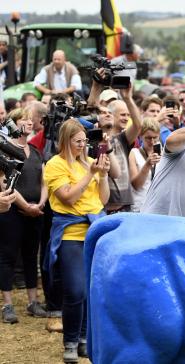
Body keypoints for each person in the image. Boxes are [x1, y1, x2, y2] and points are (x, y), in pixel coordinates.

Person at [43, 119, 111, 363]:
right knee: (75, 290)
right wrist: (90, 174)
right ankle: (70, 341)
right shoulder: (54, 165)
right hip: (70, 233)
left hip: (95, 232)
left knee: (90, 291)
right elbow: (68, 198)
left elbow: (103, 200)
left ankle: (83, 340)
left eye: (85, 141)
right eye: (78, 142)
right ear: (65, 141)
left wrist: (101, 176)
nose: (83, 146)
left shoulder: (91, 163)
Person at [0, 108, 48, 324]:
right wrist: (24, 205)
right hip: (11, 211)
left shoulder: (36, 151)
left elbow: (44, 180)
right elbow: (4, 182)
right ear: (13, 123)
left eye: (31, 120)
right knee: (8, 255)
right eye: (24, 120)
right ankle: (8, 304)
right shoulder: (6, 150)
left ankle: (33, 301)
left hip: (36, 211)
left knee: (31, 256)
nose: (29, 123)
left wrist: (39, 204)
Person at [104, 87, 143, 213]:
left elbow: (138, 125)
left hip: (124, 206)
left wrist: (128, 98)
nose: (126, 118)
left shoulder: (123, 138)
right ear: (110, 115)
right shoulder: (97, 138)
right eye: (122, 115)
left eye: (128, 115)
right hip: (103, 206)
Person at [128, 119, 161, 213]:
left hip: (159, 207)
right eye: (148, 138)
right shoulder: (134, 153)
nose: (152, 141)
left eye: (155, 137)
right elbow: (136, 185)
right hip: (140, 207)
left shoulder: (164, 153)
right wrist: (147, 165)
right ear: (141, 136)